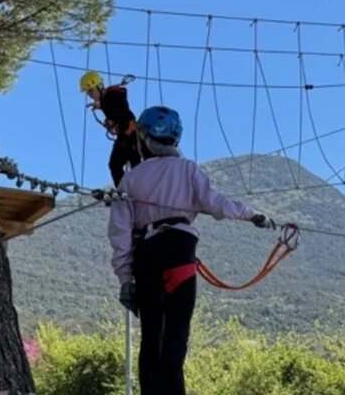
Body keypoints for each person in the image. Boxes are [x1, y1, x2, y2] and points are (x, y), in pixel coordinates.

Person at [107, 105, 275, 394]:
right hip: (180, 251)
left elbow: (120, 232)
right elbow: (216, 203)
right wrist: (252, 215)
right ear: (175, 139)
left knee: (151, 337)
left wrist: (125, 279)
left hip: (147, 255)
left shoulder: (130, 180)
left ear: (143, 138)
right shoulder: (187, 170)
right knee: (175, 335)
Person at [80, 70, 141, 187]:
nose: (90, 95)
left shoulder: (114, 95)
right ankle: (124, 192)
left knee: (135, 166)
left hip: (131, 135)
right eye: (88, 93)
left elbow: (120, 109)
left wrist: (102, 106)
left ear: (99, 86)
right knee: (115, 165)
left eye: (91, 90)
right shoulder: (106, 99)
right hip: (124, 135)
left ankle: (138, 191)